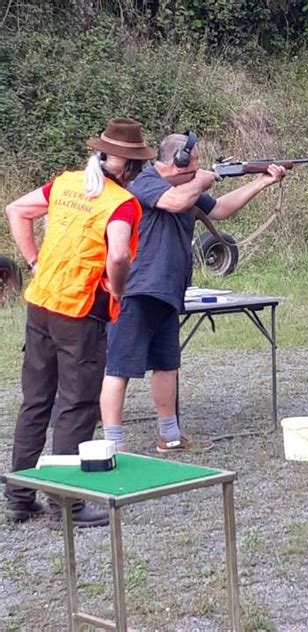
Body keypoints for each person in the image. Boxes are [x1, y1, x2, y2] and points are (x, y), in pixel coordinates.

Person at [4, 118, 156, 527]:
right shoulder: (121, 202)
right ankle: (65, 504)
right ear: (127, 166)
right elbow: (120, 257)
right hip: (81, 311)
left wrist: (35, 260)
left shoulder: (68, 182)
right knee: (76, 405)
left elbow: (16, 209)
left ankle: (19, 497)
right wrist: (120, 290)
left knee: (36, 401)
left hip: (42, 304)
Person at [100, 131, 286, 453]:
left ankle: (169, 436)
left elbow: (221, 210)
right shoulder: (145, 182)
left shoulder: (185, 187)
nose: (199, 165)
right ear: (178, 160)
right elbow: (174, 202)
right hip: (137, 290)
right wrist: (201, 180)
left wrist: (263, 181)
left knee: (167, 364)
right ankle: (111, 445)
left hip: (169, 291)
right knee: (119, 368)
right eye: (194, 159)